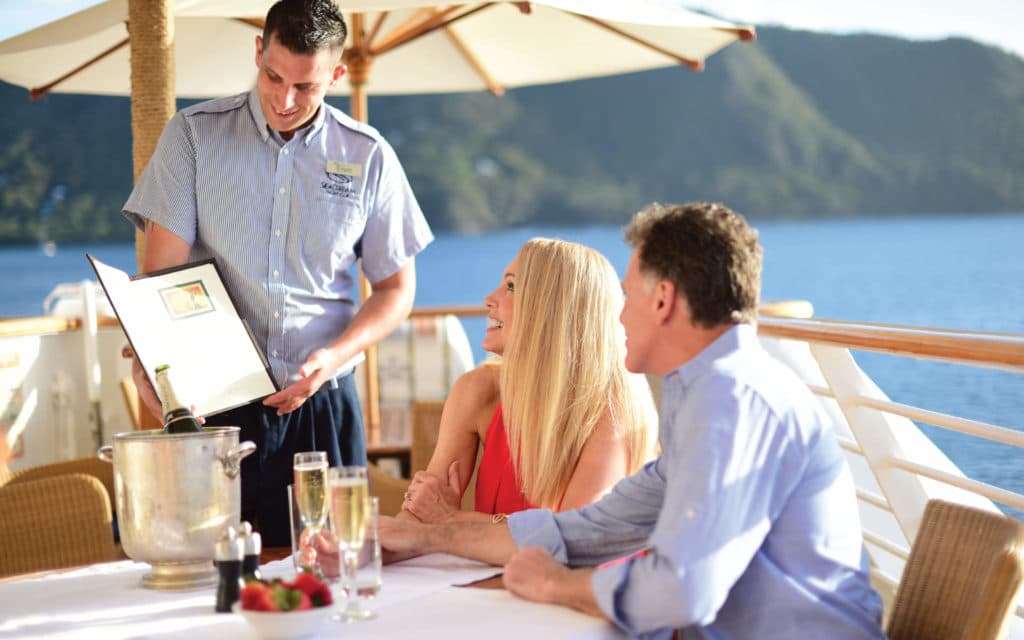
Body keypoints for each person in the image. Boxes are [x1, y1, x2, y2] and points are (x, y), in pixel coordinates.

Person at [379, 202, 885, 639]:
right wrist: (422, 535)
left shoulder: (732, 403)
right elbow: (591, 529)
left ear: (662, 299)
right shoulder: (703, 396)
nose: (616, 317)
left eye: (627, 295)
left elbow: (682, 591)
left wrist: (558, 585)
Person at [122, 0, 433, 546]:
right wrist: (153, 361)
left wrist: (332, 359)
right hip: (214, 408)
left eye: (307, 87)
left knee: (335, 578)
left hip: (323, 403)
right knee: (217, 580)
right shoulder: (193, 136)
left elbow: (396, 289)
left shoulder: (369, 156)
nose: (284, 100)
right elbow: (161, 278)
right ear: (258, 51)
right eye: (273, 76)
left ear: (336, 76)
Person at [400, 238, 658, 525]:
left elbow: (568, 540)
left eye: (511, 287)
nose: (489, 298)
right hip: (493, 570)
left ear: (554, 310)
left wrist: (452, 521)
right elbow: (418, 518)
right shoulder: (478, 390)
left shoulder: (611, 409)